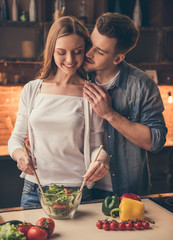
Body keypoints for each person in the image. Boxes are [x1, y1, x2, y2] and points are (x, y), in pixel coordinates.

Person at [8, 16, 110, 207]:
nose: (70, 60)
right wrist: (21, 156)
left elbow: (99, 146)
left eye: (77, 52)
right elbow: (15, 139)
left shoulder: (91, 93)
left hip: (76, 191)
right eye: (61, 52)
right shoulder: (32, 89)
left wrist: (102, 160)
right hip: (34, 188)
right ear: (51, 51)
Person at [83, 12, 167, 199]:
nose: (88, 53)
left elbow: (155, 141)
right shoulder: (76, 75)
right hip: (81, 189)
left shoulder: (142, 85)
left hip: (126, 192)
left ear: (118, 58)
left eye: (99, 51)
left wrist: (110, 114)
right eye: (90, 44)